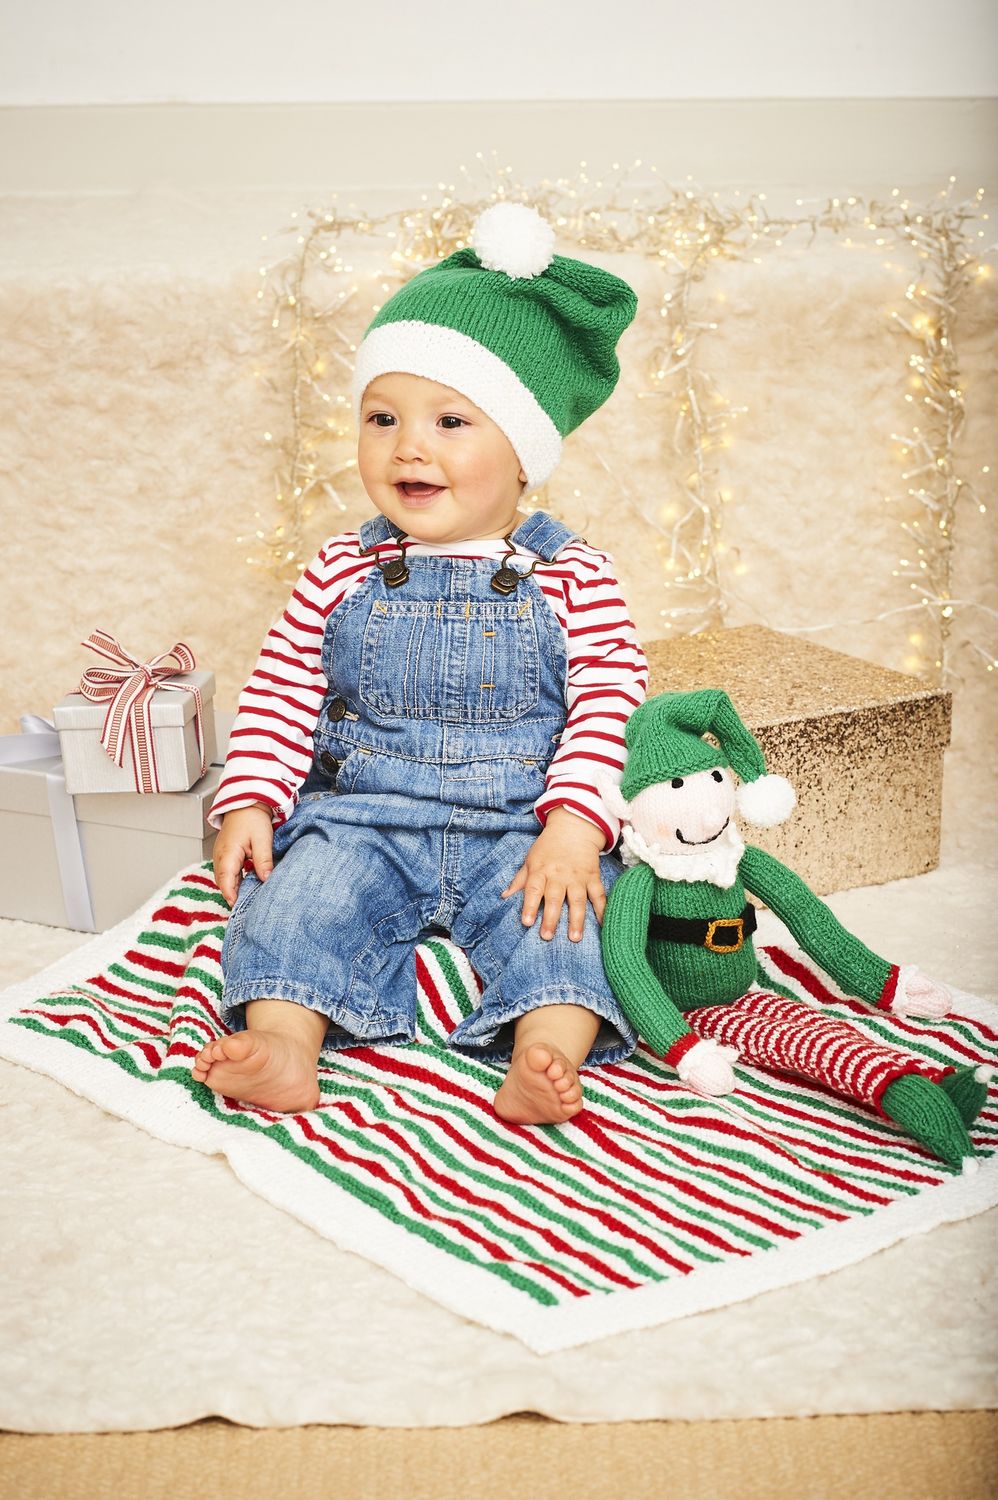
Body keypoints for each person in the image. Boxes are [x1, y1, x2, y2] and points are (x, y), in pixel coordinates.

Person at [191, 201, 648, 1125]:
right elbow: (283, 689)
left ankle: (544, 1055)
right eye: (383, 416)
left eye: (450, 421)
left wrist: (574, 828)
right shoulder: (342, 567)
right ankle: (284, 1045)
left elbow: (609, 701)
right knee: (291, 907)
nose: (409, 445)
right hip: (363, 817)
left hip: (521, 825)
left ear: (524, 454)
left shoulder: (572, 575)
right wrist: (249, 799)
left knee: (569, 924)